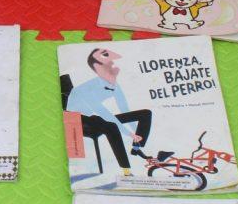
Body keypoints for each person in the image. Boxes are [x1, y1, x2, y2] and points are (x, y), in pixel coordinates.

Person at [65, 48, 171, 180]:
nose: (113, 65)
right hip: (75, 121)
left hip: (95, 119)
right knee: (110, 126)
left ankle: (136, 148)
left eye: (112, 63)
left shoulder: (113, 84)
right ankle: (126, 171)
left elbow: (124, 109)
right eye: (108, 63)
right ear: (97, 67)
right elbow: (104, 113)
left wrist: (136, 134)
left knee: (145, 114)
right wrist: (129, 133)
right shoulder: (85, 89)